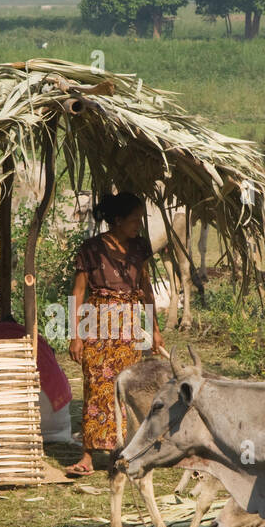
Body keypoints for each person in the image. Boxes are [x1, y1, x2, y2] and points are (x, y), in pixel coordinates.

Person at [66, 192, 164, 476]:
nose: (139, 225)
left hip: (130, 327)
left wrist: (154, 330)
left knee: (127, 388)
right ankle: (87, 456)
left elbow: (146, 291)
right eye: (134, 220)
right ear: (117, 220)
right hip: (97, 324)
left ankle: (122, 450)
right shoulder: (91, 249)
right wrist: (76, 336)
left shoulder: (139, 248)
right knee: (96, 386)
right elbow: (78, 292)